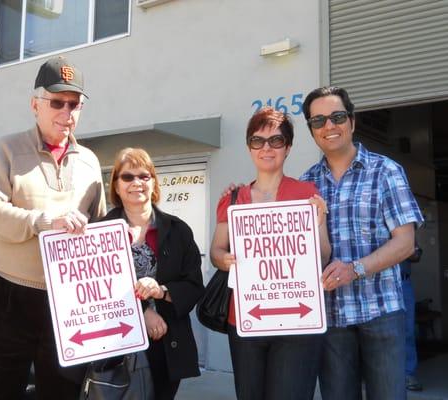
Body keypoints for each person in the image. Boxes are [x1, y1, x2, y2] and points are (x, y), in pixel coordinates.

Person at [0, 56, 106, 400]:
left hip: (67, 300)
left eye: (74, 104)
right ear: (35, 104)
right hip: (6, 292)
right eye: (56, 102)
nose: (66, 112)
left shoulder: (90, 161)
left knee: (63, 392)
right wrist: (43, 222)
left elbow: (101, 225)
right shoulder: (7, 149)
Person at [300, 86, 424, 400]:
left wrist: (355, 269)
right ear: (312, 131)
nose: (329, 126)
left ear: (352, 122)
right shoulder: (306, 184)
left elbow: (405, 243)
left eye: (337, 117)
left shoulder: (386, 172)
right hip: (332, 319)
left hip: (380, 312)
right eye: (318, 121)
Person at [210, 107, 331, 400]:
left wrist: (319, 222)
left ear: (287, 148)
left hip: (297, 321)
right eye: (257, 140)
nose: (266, 148)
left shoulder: (306, 193)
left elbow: (324, 256)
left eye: (276, 141)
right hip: (246, 318)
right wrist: (224, 260)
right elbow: (216, 250)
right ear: (249, 147)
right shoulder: (233, 197)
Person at [100, 147, 204, 400]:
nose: (136, 182)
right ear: (115, 185)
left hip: (167, 346)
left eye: (144, 176)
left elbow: (194, 286)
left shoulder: (179, 230)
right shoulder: (98, 231)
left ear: (154, 182)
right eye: (127, 177)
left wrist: (162, 291)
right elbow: (94, 291)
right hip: (114, 348)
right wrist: (141, 312)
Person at [402, 242, 423, 391]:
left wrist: (411, 251)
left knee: (407, 330)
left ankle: (408, 374)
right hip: (375, 282)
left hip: (403, 282)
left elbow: (416, 255)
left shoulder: (403, 226)